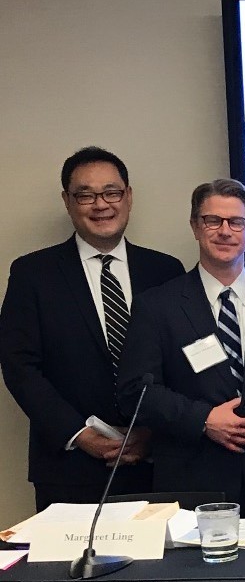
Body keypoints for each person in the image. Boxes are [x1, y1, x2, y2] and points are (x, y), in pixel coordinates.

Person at [0, 147, 184, 510]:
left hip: (156, 464)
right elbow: (19, 367)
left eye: (111, 192)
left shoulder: (165, 271)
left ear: (128, 196)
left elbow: (180, 366)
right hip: (69, 469)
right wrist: (79, 433)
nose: (101, 204)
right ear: (67, 201)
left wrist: (151, 432)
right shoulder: (32, 274)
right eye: (85, 195)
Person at [116, 179, 245, 518]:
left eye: (236, 222)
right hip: (192, 483)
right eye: (213, 221)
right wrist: (203, 419)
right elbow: (134, 392)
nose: (225, 231)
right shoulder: (157, 306)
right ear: (195, 227)